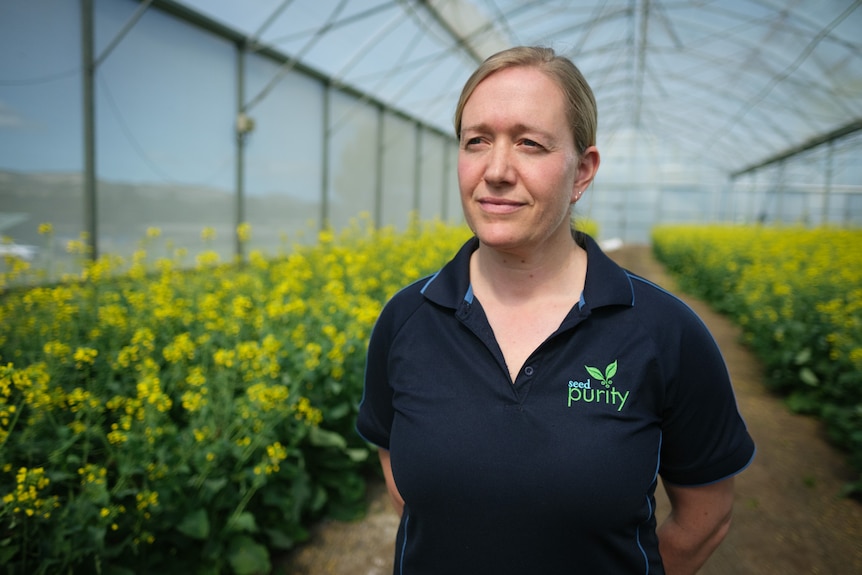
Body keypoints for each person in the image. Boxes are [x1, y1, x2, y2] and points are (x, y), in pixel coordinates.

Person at [356, 46, 755, 575]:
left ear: (583, 172)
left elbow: (705, 519)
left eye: (530, 144)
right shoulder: (407, 319)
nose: (496, 170)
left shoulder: (664, 331)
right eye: (477, 140)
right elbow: (407, 495)